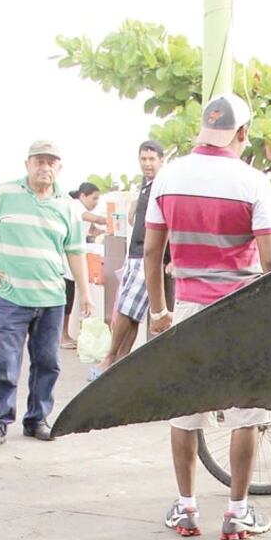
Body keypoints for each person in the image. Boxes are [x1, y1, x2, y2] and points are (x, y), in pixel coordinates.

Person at [144, 94, 271, 540]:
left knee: (185, 413)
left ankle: (186, 508)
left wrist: (159, 311)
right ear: (242, 133)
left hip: (188, 311)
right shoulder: (254, 182)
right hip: (240, 312)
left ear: (205, 130)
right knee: (246, 414)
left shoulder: (168, 177)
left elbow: (152, 252)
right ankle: (237, 512)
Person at [0, 141, 92, 446]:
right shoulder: (4, 194)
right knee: (4, 363)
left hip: (52, 298)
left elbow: (75, 252)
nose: (44, 167)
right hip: (11, 296)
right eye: (39, 161)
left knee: (47, 364)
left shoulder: (68, 206)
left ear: (59, 168)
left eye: (51, 162)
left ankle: (37, 419)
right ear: (27, 164)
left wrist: (85, 294)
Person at [88, 140, 169, 380]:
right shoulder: (146, 187)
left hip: (148, 256)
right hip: (134, 254)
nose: (147, 164)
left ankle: (109, 358)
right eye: (143, 159)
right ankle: (121, 363)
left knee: (126, 308)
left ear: (161, 160)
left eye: (152, 159)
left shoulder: (163, 186)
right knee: (132, 313)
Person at [60, 182, 108, 350]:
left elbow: (93, 230)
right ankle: (62, 335)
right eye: (94, 198)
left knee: (69, 298)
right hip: (65, 260)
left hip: (74, 261)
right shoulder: (75, 206)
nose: (96, 202)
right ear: (82, 196)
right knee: (66, 299)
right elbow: (94, 219)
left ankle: (63, 334)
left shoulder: (82, 211)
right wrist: (112, 220)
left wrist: (106, 231)